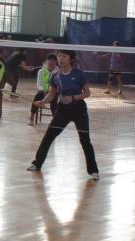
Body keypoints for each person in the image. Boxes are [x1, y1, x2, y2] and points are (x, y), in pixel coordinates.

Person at [27, 50, 99, 180]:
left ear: (70, 59)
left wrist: (72, 98)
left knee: (85, 140)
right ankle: (37, 163)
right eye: (59, 56)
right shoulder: (55, 76)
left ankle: (93, 171)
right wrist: (42, 102)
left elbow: (87, 93)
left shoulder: (79, 74)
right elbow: (52, 94)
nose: (60, 59)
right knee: (48, 136)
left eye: (64, 56)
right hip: (63, 110)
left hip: (79, 110)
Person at [29, 53, 59, 125]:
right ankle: (31, 116)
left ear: (55, 62)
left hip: (53, 92)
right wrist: (44, 90)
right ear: (46, 61)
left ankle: (55, 120)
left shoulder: (59, 72)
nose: (50, 62)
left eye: (52, 61)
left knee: (54, 102)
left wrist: (50, 91)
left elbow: (59, 85)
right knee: (37, 97)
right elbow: (39, 84)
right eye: (49, 60)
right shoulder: (41, 71)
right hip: (43, 92)